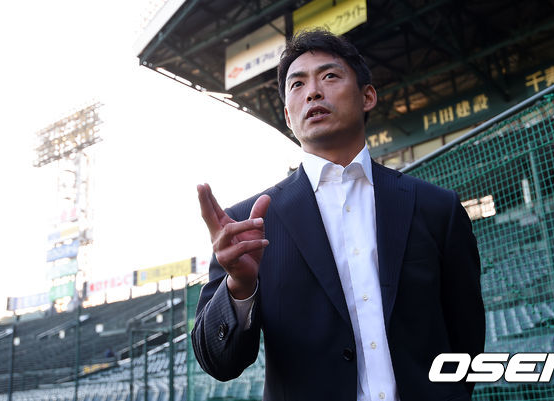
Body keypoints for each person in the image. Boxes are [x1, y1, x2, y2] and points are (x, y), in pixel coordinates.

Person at [192, 29, 485, 401]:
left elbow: (466, 336)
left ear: (367, 96)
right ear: (288, 116)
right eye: (297, 84)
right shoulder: (247, 223)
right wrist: (239, 287)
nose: (313, 92)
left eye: (329, 76)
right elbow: (218, 362)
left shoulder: (437, 208)